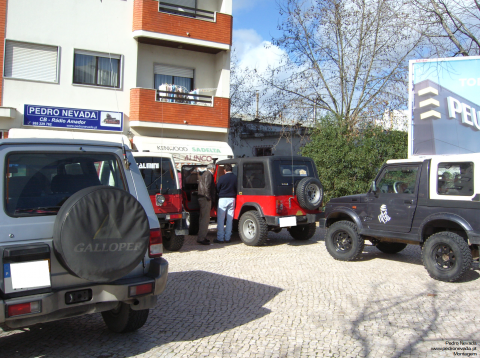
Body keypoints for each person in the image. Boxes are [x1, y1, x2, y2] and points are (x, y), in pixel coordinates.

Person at [215, 163, 237, 243]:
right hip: (232, 198)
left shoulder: (222, 178)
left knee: (221, 219)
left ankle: (220, 238)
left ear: (224, 170)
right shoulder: (235, 178)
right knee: (229, 219)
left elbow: (217, 188)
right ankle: (228, 237)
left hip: (223, 199)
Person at [196, 163, 215, 245]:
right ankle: (202, 238)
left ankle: (201, 236)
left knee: (202, 218)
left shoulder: (204, 174)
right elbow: (207, 187)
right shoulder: (208, 174)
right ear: (213, 169)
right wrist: (209, 198)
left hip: (202, 197)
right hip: (205, 198)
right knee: (205, 219)